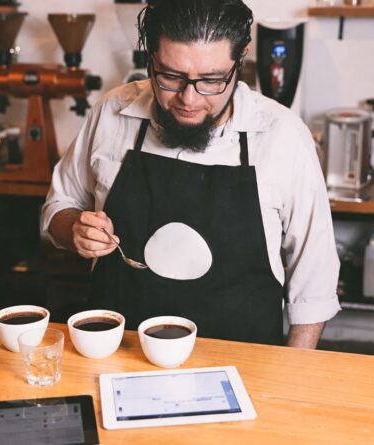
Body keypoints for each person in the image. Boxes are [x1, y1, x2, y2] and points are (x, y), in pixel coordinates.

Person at [42, 0, 339, 348]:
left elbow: (313, 280)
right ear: (150, 55)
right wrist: (74, 228)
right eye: (170, 76)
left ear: (240, 57)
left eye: (212, 80)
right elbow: (58, 207)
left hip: (244, 365)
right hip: (115, 353)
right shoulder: (112, 113)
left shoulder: (282, 137)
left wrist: (289, 381)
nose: (189, 99)